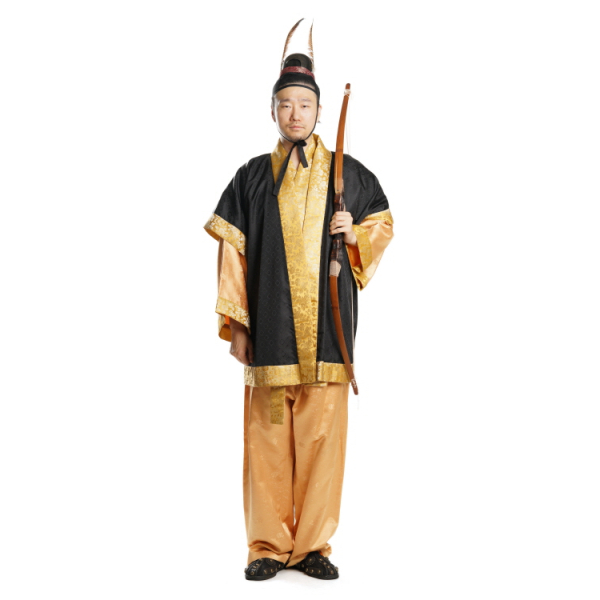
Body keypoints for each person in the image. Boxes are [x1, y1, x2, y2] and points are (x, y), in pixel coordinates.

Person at [204, 19, 394, 581]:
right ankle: (266, 545)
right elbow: (232, 252)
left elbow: (383, 224)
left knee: (322, 441)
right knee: (266, 440)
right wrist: (238, 325)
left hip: (330, 337)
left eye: (304, 105)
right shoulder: (249, 178)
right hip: (269, 331)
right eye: (285, 104)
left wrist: (354, 232)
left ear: (318, 110)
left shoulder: (349, 175)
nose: (295, 114)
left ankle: (312, 545)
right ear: (272, 110)